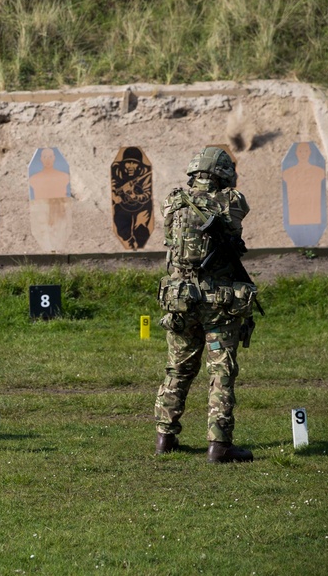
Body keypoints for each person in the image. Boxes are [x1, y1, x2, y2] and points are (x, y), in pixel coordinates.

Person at [154, 147, 257, 464]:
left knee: (179, 369)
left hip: (181, 299)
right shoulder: (232, 201)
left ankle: (164, 437)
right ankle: (219, 445)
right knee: (221, 373)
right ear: (223, 173)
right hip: (218, 303)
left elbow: (171, 245)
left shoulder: (173, 202)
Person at [110, 147, 153, 249]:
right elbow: (113, 185)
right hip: (123, 206)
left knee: (141, 229)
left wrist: (135, 196)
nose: (131, 166)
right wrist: (116, 197)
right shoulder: (117, 172)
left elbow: (147, 194)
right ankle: (130, 244)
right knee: (122, 230)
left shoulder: (145, 174)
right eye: (128, 163)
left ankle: (139, 251)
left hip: (142, 206)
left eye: (134, 163)